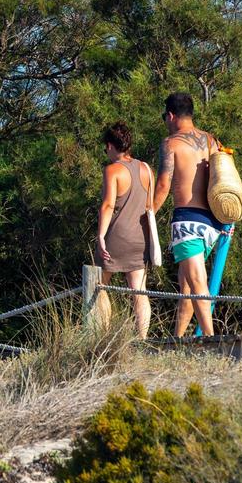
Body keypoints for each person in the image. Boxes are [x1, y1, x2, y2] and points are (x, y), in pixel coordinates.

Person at [149, 92, 224, 337]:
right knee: (187, 287)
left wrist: (148, 216)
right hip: (212, 222)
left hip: (187, 222)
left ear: (170, 115)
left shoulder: (171, 143)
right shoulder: (212, 140)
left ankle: (211, 340)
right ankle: (177, 338)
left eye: (165, 117)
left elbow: (163, 185)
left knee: (197, 283)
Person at [94, 121, 155, 337]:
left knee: (99, 286)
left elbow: (108, 204)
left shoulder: (112, 170)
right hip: (141, 238)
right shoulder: (147, 169)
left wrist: (101, 236)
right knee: (139, 290)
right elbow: (150, 205)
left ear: (110, 146)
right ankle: (143, 339)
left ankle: (103, 336)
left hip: (116, 236)